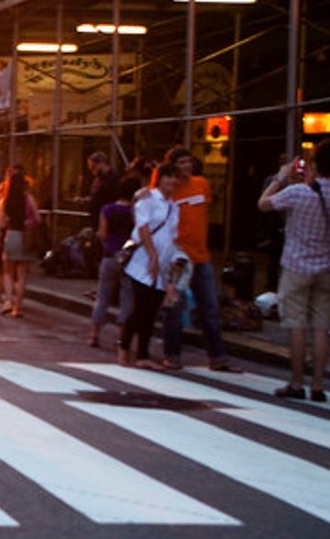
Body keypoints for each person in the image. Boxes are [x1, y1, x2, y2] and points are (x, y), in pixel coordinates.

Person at [258, 146, 330, 402]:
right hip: (327, 266)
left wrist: (280, 176)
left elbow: (263, 204)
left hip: (297, 265)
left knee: (296, 325)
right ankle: (319, 385)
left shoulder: (298, 193)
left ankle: (297, 382)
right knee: (321, 327)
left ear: (315, 165)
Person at [158, 146, 240, 372]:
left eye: (189, 162)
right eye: (181, 163)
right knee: (174, 306)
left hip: (201, 255)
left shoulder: (201, 184)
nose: (187, 166)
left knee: (210, 307)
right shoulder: (169, 189)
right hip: (179, 257)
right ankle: (172, 354)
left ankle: (217, 356)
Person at [119, 164, 187, 369]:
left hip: (162, 267)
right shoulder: (147, 199)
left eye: (174, 178)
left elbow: (172, 237)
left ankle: (142, 354)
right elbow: (143, 228)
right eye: (167, 177)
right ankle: (125, 349)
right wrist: (153, 257)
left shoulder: (173, 206)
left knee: (150, 312)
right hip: (143, 263)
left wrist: (173, 259)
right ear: (159, 179)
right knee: (141, 309)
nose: (171, 182)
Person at [89, 173, 141, 348]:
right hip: (129, 258)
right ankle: (122, 338)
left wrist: (106, 243)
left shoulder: (108, 209)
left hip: (110, 255)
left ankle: (94, 335)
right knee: (128, 297)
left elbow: (102, 234)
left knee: (103, 296)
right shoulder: (136, 212)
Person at [0, 165, 41, 318]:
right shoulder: (28, 199)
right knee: (22, 275)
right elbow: (38, 218)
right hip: (25, 237)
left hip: (11, 235)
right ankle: (18, 307)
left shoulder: (4, 201)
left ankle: (8, 301)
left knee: (8, 272)